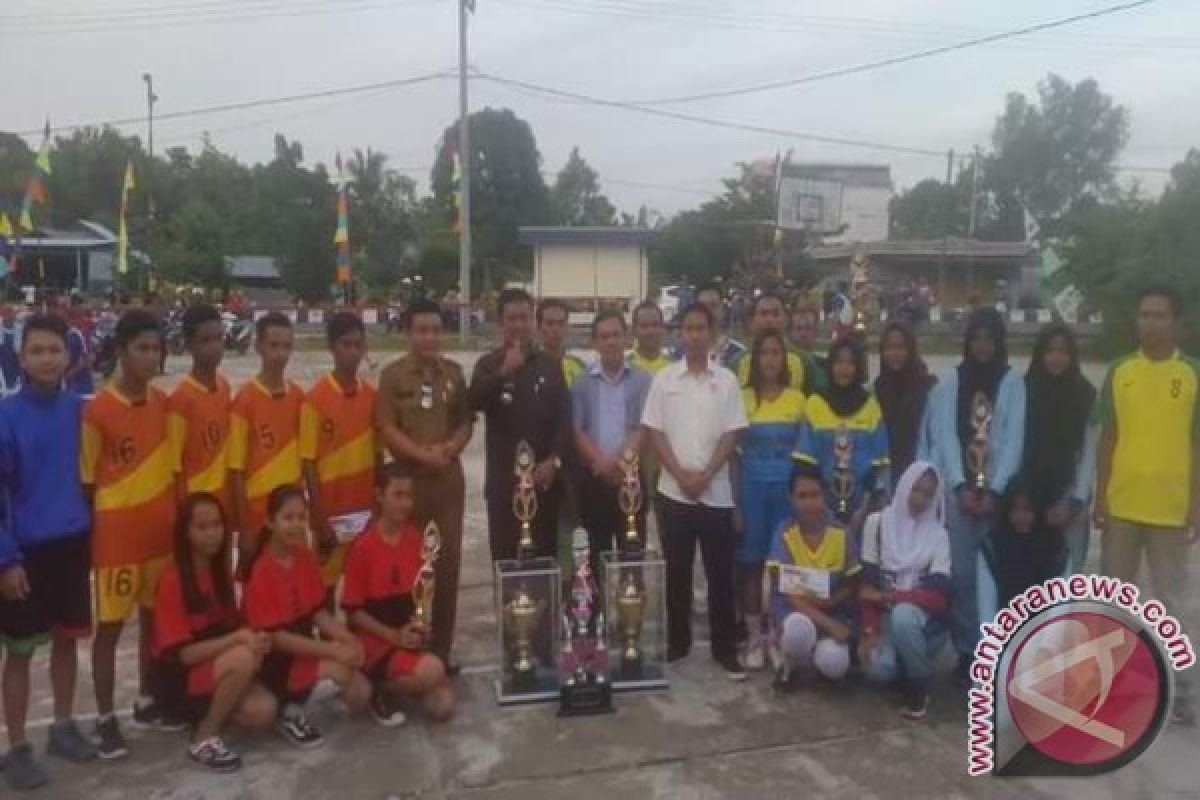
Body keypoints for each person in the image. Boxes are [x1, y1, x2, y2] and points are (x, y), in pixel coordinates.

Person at [0, 315, 97, 790]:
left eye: (54, 350)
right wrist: (6, 558)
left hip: (72, 546)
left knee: (66, 641)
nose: (45, 359)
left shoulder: (81, 410)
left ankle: (62, 726)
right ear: (20, 358)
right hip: (25, 553)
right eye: (36, 350)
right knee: (19, 653)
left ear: (68, 357)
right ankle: (17, 746)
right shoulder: (5, 416)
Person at [1095, 285, 1197, 725]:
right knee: (1117, 602)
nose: (1149, 322)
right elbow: (1107, 438)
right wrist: (1101, 495)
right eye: (1143, 314)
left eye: (1158, 315)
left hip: (1170, 511)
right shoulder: (1120, 371)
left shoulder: (1191, 374)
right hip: (1122, 506)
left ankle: (1183, 689)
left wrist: (1196, 505)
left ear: (1175, 322)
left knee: (1173, 602)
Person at [81, 309, 180, 758]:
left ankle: (148, 698)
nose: (150, 357)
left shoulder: (165, 405)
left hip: (159, 537)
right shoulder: (98, 410)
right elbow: (87, 483)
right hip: (116, 540)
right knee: (110, 629)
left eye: (156, 348)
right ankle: (105, 718)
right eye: (142, 348)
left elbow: (175, 472)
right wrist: (91, 543)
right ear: (121, 352)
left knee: (154, 623)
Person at [642, 302, 748, 679]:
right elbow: (653, 432)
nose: (694, 334)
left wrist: (704, 475)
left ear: (712, 332)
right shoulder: (665, 381)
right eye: (687, 328)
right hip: (674, 492)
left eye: (701, 328)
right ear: (679, 334)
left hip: (716, 493)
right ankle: (678, 644)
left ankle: (724, 650)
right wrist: (681, 475)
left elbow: (732, 432)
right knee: (677, 573)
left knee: (721, 575)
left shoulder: (727, 381)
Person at [923, 307, 1025, 684]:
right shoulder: (951, 381)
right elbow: (945, 435)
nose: (983, 345)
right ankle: (969, 649)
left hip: (998, 496)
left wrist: (995, 488)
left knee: (997, 573)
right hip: (960, 495)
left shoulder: (1013, 383)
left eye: (990, 338)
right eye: (977, 337)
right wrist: (961, 486)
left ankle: (998, 649)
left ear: (999, 342)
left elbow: (1014, 437)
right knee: (963, 575)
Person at [376, 299, 472, 669]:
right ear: (409, 333)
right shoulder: (393, 376)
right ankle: (402, 653)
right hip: (407, 486)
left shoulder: (453, 373)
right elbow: (386, 427)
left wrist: (450, 448)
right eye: (422, 330)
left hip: (446, 484)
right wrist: (420, 454)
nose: (429, 337)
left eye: (435, 330)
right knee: (407, 569)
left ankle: (439, 653)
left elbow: (466, 422)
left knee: (445, 569)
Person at [152, 493, 276, 772]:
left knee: (264, 711)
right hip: (179, 677)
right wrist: (238, 640)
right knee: (244, 657)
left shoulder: (219, 572)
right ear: (185, 532)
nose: (213, 534)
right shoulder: (173, 580)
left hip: (212, 667)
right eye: (202, 527)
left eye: (217, 525)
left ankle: (214, 710)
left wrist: (255, 636)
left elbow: (232, 625)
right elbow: (183, 655)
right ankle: (205, 735)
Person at [243, 486, 371, 748]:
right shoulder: (261, 571)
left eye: (302, 518)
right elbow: (276, 639)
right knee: (338, 667)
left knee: (360, 693)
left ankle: (296, 700)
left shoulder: (305, 557)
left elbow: (318, 613)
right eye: (288, 518)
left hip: (302, 651)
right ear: (270, 522)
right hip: (274, 662)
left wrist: (348, 639)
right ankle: (285, 710)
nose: (296, 525)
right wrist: (330, 651)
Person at [342, 464, 455, 723]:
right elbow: (353, 613)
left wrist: (420, 625)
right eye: (398, 495)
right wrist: (393, 636)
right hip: (376, 639)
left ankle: (399, 682)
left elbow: (421, 597)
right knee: (433, 671)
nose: (405, 504)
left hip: (406, 637)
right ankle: (377, 687)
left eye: (410, 496)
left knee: (442, 707)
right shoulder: (363, 547)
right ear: (380, 496)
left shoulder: (417, 540)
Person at [469, 289, 572, 561]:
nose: (519, 325)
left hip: (543, 484)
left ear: (533, 321)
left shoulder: (550, 366)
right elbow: (473, 402)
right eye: (512, 318)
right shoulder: (488, 364)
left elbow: (564, 420)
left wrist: (554, 460)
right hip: (504, 487)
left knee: (544, 566)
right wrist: (504, 372)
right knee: (506, 563)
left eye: (524, 318)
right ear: (500, 321)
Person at [859, 462, 952, 720]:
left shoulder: (938, 535)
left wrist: (891, 597)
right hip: (886, 620)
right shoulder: (876, 524)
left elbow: (937, 600)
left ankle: (918, 687)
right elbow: (867, 588)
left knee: (903, 615)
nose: (920, 499)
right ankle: (905, 668)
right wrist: (870, 631)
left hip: (925, 626)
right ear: (903, 486)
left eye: (928, 494)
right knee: (877, 670)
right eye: (916, 490)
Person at [735, 331, 805, 671]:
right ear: (755, 360)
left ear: (785, 359)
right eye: (764, 353)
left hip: (785, 493)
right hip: (752, 490)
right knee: (751, 564)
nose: (771, 360)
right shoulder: (743, 398)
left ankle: (777, 635)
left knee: (783, 568)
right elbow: (733, 457)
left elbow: (805, 456)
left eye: (777, 352)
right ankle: (752, 637)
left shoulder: (797, 400)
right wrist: (735, 504)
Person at [301, 312, 378, 595]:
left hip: (365, 513)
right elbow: (308, 464)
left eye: (359, 345)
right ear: (331, 347)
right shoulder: (315, 399)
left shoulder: (372, 396)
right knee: (325, 592)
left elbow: (378, 455)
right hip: (331, 516)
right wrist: (319, 519)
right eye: (346, 345)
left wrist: (378, 507)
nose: (353, 352)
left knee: (363, 591)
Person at [572, 310, 652, 578]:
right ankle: (596, 617)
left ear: (627, 338)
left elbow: (644, 427)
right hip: (594, 480)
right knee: (595, 556)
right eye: (604, 337)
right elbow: (577, 428)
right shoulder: (582, 382)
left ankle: (632, 616)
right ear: (594, 343)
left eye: (616, 335)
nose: (611, 342)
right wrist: (600, 462)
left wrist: (621, 464)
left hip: (631, 481)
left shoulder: (642, 381)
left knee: (633, 555)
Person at [766, 467, 860, 692]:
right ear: (791, 499)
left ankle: (821, 665)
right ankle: (791, 665)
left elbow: (852, 583)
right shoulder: (784, 533)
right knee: (797, 631)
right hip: (794, 610)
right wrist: (828, 623)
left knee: (834, 664)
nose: (809, 503)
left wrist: (831, 603)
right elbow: (791, 594)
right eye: (802, 497)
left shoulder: (841, 533)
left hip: (834, 610)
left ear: (825, 495)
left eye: (815, 495)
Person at [229, 312, 304, 563]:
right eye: (273, 346)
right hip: (258, 517)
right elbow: (236, 470)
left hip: (293, 518)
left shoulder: (298, 398)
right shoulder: (245, 401)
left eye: (286, 346)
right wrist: (245, 527)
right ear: (258, 346)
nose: (280, 354)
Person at [1022, 323, 1097, 574]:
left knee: (1068, 575)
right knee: (1030, 573)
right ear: (1039, 354)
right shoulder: (1023, 391)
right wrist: (1022, 500)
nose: (1056, 358)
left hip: (1069, 496)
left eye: (1063, 352)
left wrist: (1075, 500)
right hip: (1028, 498)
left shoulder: (1085, 395)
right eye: (1050, 351)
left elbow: (1088, 452)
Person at [793, 338, 890, 528]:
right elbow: (805, 463)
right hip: (820, 504)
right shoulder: (815, 403)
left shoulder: (870, 405)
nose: (844, 368)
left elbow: (879, 463)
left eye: (850, 362)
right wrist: (819, 507)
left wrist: (865, 509)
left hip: (862, 505)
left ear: (858, 367)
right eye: (838, 362)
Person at [167, 304, 231, 513]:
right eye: (206, 340)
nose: (215, 347)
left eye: (219, 338)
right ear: (189, 345)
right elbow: (174, 467)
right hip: (196, 507)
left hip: (223, 501)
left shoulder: (224, 387)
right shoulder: (180, 400)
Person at [979, 483, 1062, 620]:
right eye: (1014, 510)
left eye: (1027, 510)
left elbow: (1059, 607)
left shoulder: (1056, 549)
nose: (1020, 516)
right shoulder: (992, 548)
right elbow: (986, 606)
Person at [874, 321, 936, 480]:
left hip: (920, 472)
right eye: (889, 348)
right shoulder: (876, 389)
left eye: (900, 347)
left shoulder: (928, 388)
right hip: (887, 474)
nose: (894, 353)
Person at [732, 293, 808, 393]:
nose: (769, 319)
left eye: (775, 314)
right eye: (763, 314)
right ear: (752, 321)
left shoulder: (803, 360)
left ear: (786, 319)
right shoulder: (739, 360)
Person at [694, 283, 745, 370]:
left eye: (713, 305)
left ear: (723, 309)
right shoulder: (678, 355)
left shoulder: (739, 354)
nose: (708, 311)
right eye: (702, 306)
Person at [537, 298, 586, 387]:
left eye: (561, 323)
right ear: (539, 328)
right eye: (550, 324)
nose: (556, 329)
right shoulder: (529, 367)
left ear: (567, 326)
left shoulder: (579, 367)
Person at [788, 301, 828, 394]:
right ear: (790, 332)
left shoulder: (825, 366)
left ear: (816, 332)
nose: (803, 334)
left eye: (808, 328)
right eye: (798, 329)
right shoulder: (781, 362)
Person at [627, 300, 674, 375]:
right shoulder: (625, 365)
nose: (650, 331)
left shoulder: (673, 366)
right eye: (644, 326)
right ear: (634, 330)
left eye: (655, 325)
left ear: (662, 328)